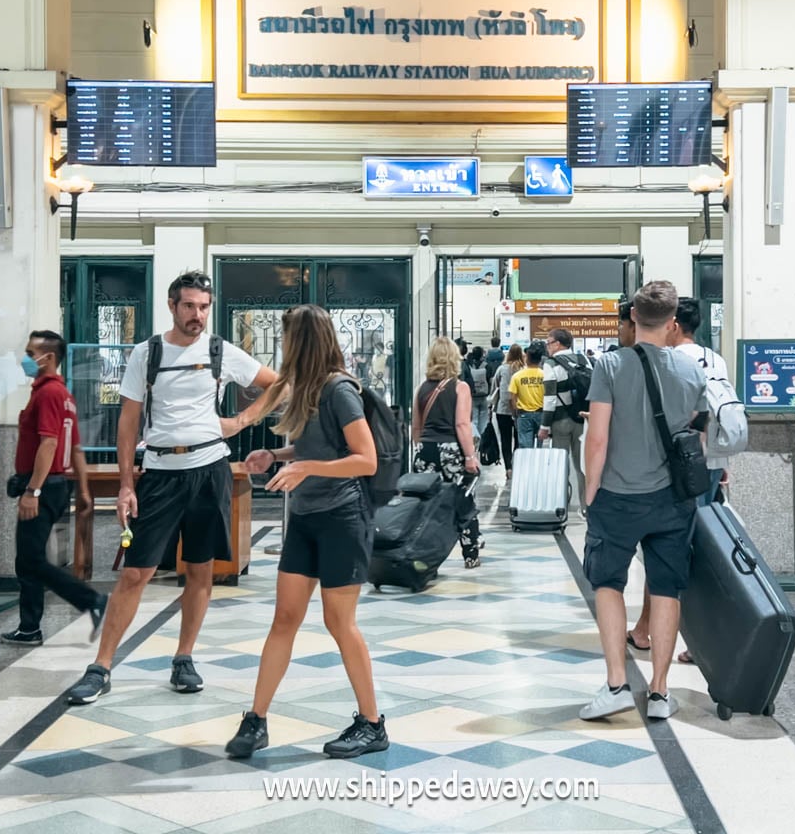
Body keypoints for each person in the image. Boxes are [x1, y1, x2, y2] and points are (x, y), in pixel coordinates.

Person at [64, 271, 278, 704]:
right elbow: (128, 421)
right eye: (189, 306)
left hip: (209, 468)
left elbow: (279, 384)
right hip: (160, 472)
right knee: (136, 572)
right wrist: (127, 484)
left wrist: (241, 421)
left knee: (200, 570)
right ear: (172, 305)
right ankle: (101, 667)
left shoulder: (221, 350)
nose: (197, 315)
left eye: (203, 307)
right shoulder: (148, 353)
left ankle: (184, 658)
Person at [226, 305, 390, 760]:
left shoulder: (339, 389)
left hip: (343, 518)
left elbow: (365, 459)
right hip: (307, 517)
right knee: (285, 618)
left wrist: (306, 468)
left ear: (302, 341)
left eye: (287, 339)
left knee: (340, 623)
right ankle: (256, 719)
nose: (283, 348)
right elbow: (318, 445)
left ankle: (372, 724)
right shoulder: (308, 390)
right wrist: (276, 458)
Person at [579, 281, 707, 722]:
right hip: (672, 500)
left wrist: (590, 489)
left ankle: (616, 684)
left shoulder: (611, 366)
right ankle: (659, 692)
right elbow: (695, 435)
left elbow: (598, 438)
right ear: (673, 323)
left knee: (608, 584)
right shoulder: (693, 370)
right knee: (667, 588)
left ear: (633, 317)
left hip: (617, 495)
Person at [627, 297, 730, 662]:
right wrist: (720, 462)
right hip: (709, 461)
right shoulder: (714, 358)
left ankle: (679, 636)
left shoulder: (672, 362)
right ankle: (646, 627)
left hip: (677, 468)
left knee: (668, 548)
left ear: (673, 324)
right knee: (690, 547)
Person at [0, 330, 110, 647]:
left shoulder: (48, 394)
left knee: (31, 560)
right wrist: (85, 490)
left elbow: (49, 444)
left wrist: (32, 491)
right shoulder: (64, 395)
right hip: (57, 485)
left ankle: (91, 601)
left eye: (30, 353)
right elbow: (75, 447)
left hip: (44, 486)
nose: (25, 359)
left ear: (48, 358)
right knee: (28, 559)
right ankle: (29, 627)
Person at [412, 337, 484, 568]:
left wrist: (422, 447)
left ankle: (424, 557)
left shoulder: (421, 389)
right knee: (463, 500)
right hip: (451, 450)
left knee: (427, 504)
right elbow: (462, 424)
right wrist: (470, 457)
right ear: (454, 358)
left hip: (425, 449)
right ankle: (470, 553)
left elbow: (415, 427)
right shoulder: (460, 387)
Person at [538, 328, 593, 514]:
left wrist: (544, 426)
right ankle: (586, 506)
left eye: (549, 342)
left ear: (558, 344)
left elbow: (549, 399)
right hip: (583, 419)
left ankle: (561, 504)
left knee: (560, 465)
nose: (547, 346)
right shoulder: (584, 360)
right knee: (582, 465)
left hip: (560, 421)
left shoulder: (550, 364)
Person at [493, 344, 525, 472]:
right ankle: (517, 464)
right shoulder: (523, 369)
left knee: (505, 439)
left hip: (503, 409)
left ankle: (508, 468)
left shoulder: (502, 369)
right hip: (520, 408)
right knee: (519, 438)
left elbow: (494, 387)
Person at [512, 342, 547, 447]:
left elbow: (513, 398)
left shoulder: (517, 376)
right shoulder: (545, 375)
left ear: (526, 358)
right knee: (540, 444)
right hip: (541, 413)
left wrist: (515, 414)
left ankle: (527, 463)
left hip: (523, 414)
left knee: (525, 445)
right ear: (540, 359)